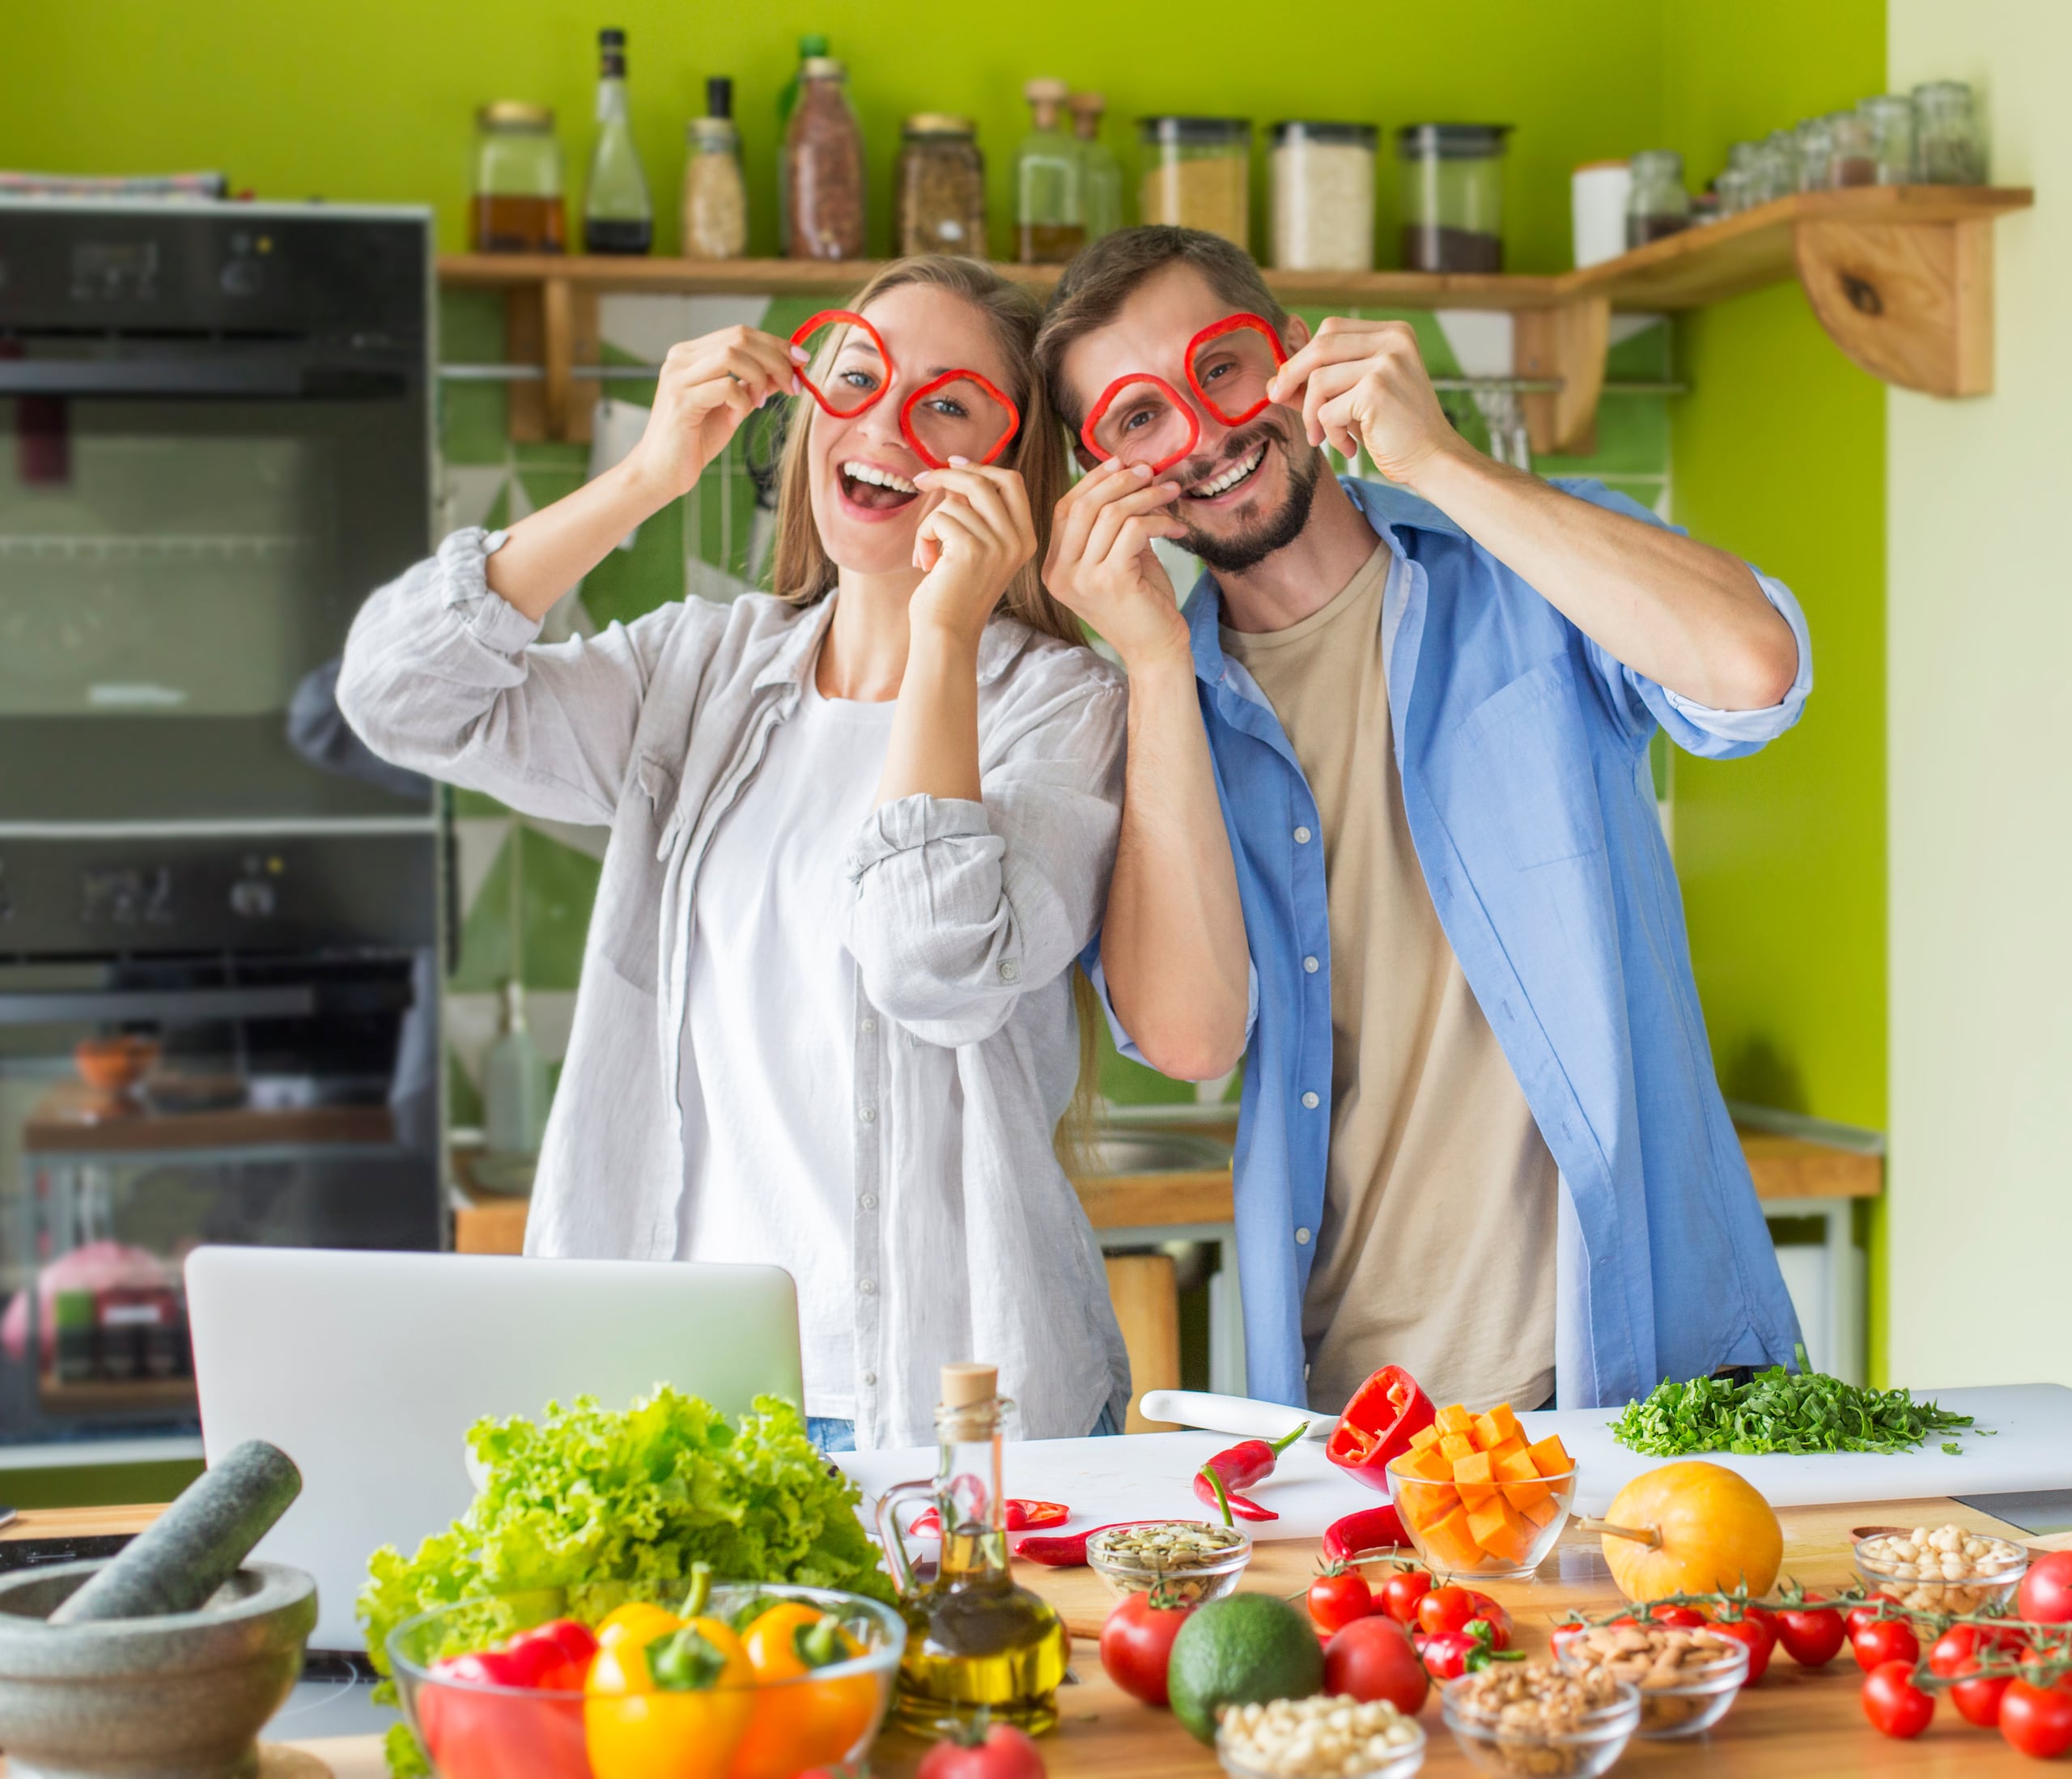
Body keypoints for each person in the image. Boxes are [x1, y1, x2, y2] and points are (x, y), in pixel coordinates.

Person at [338, 257, 1131, 1450]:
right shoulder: (698, 672)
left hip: (936, 1408)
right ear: (808, 403)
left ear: (1008, 468)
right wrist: (646, 478)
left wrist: (946, 633)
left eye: (949, 403)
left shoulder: (1060, 707)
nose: (884, 424)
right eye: (856, 377)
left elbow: (930, 963)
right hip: (682, 1395)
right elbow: (398, 694)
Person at [1036, 227, 1811, 1415]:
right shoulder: (1153, 718)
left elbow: (1753, 667)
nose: (1201, 433)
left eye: (1223, 367)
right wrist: (1143, 654)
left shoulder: (1531, 569)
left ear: (1292, 353)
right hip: (1370, 1411)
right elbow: (1189, 1038)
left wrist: (1440, 463)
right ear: (1102, 473)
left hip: (1655, 1377)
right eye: (1139, 420)